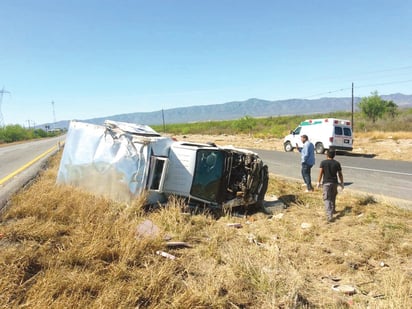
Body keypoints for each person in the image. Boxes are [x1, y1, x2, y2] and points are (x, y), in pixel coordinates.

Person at [317, 150, 344, 222]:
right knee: (333, 197)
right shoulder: (337, 163)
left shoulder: (323, 163)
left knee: (327, 199)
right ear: (334, 155)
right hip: (334, 183)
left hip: (326, 183)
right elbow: (340, 174)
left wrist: (318, 182)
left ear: (327, 155)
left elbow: (321, 173)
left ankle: (329, 216)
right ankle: (333, 210)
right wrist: (342, 182)